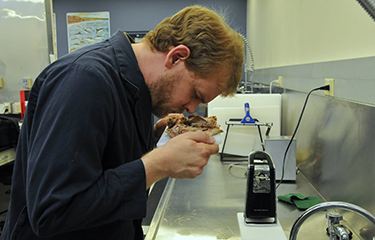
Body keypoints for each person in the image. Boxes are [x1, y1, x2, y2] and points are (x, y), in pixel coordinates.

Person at [0, 5, 244, 240]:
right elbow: (52, 212)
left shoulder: (138, 92)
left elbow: (102, 159)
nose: (191, 108)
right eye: (196, 95)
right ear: (177, 56)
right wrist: (156, 166)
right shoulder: (85, 80)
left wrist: (154, 135)